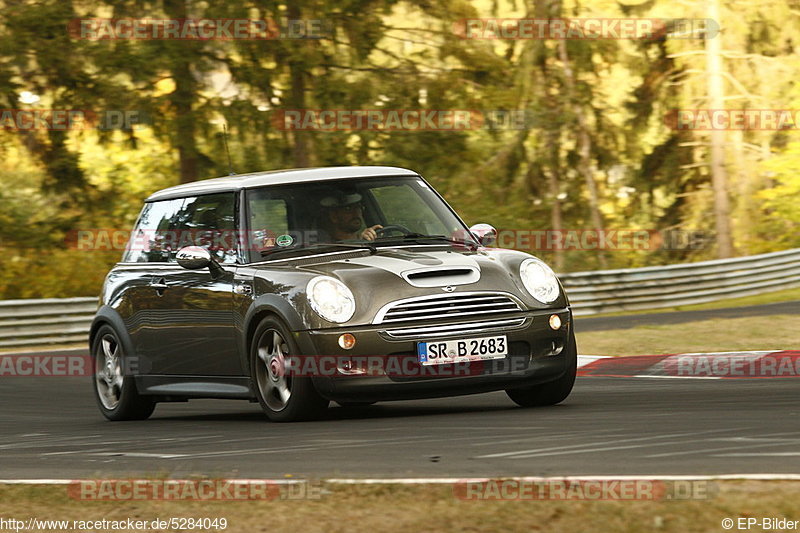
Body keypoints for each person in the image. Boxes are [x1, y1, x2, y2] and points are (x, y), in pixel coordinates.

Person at [319, 192, 383, 241]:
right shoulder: (326, 248)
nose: (356, 213)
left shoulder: (366, 240)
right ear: (334, 216)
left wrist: (369, 238)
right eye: (348, 209)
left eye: (358, 207)